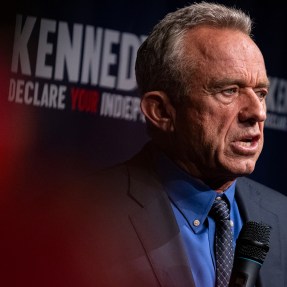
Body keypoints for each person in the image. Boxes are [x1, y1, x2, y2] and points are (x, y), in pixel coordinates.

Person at [57, 2, 287, 287]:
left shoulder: (283, 217)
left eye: (261, 93)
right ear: (162, 111)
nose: (258, 113)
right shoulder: (82, 218)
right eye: (229, 90)